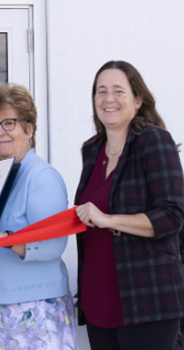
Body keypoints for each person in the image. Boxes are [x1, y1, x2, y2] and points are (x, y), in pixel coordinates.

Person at [0, 83, 75, 349]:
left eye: (9, 123)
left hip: (34, 309)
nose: (0, 132)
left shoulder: (42, 176)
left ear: (29, 128)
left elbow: (53, 244)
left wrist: (1, 238)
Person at [74, 61, 184, 350]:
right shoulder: (91, 150)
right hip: (98, 295)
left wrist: (109, 220)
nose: (108, 98)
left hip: (147, 297)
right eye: (101, 91)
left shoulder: (153, 140)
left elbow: (172, 216)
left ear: (137, 100)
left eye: (118, 91)